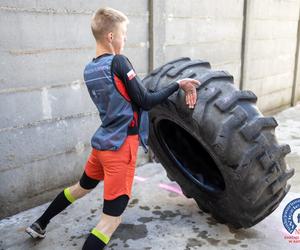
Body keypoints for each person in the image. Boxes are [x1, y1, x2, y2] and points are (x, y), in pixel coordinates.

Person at [25, 7, 200, 249]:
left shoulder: (89, 69)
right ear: (110, 36)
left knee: (80, 188)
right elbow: (146, 100)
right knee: (110, 220)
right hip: (120, 148)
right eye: (123, 33)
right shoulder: (118, 62)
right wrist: (177, 84)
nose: (124, 39)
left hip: (102, 145)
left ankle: (39, 223)